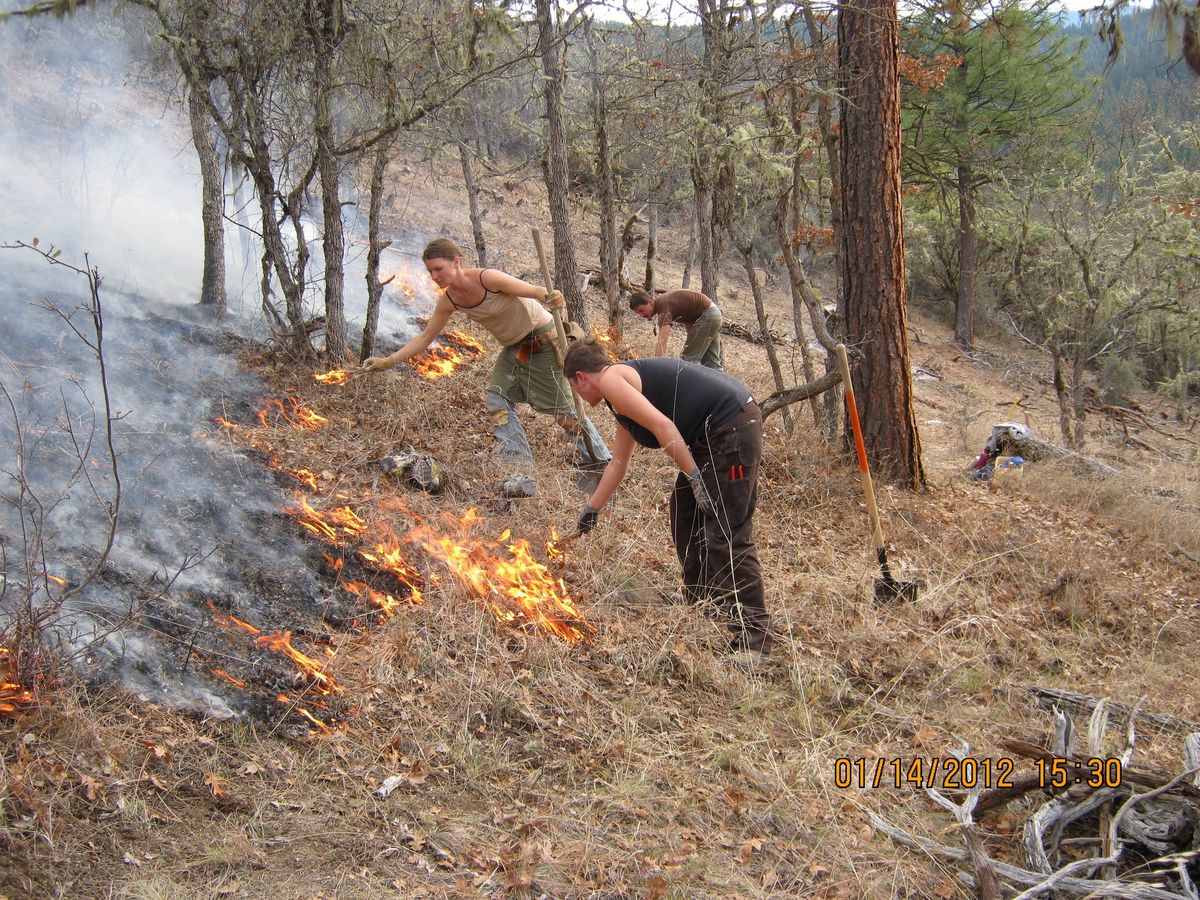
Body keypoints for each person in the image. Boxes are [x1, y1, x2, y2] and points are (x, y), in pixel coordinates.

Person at [563, 339, 772, 666]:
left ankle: (755, 640)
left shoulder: (613, 381)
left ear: (581, 377)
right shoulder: (619, 395)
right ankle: (703, 599)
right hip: (711, 437)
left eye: (574, 388)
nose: (579, 395)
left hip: (731, 428)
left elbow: (664, 427)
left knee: (726, 533)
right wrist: (593, 508)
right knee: (684, 514)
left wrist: (695, 478)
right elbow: (619, 463)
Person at [362, 239, 610, 481]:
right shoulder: (449, 300)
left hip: (541, 340)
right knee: (496, 399)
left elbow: (533, 291)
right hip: (515, 347)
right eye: (430, 271)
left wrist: (551, 296)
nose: (434, 276)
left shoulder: (487, 278)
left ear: (456, 262)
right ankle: (518, 468)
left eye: (439, 269)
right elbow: (426, 336)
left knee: (561, 411)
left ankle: (601, 461)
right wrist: (388, 361)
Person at [629, 288, 724, 370]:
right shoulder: (664, 302)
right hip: (714, 315)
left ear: (650, 302)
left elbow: (662, 342)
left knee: (687, 361)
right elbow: (689, 316)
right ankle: (723, 389)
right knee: (712, 363)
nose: (641, 315)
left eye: (641, 310)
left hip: (709, 316)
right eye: (638, 313)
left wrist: (655, 367)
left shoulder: (663, 308)